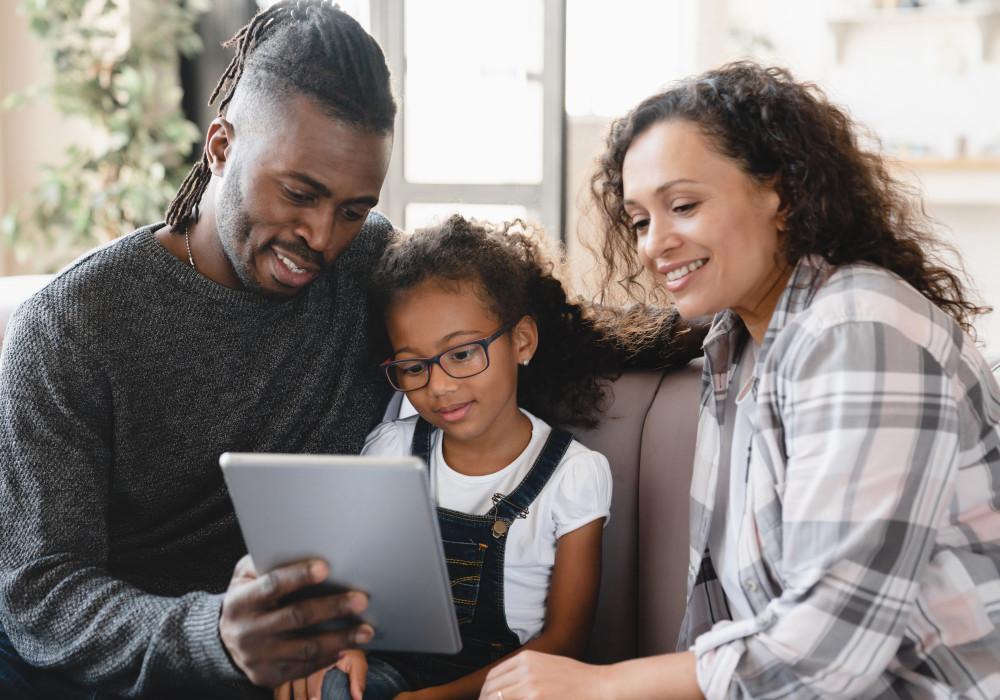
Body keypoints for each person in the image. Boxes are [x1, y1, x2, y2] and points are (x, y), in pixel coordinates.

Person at [477, 61, 1000, 700]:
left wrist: (599, 686)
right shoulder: (736, 342)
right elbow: (725, 619)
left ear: (781, 192)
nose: (653, 244)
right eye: (640, 220)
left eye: (683, 206)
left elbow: (827, 655)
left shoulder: (859, 330)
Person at [0, 2, 398, 698]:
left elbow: (505, 330)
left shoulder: (372, 266)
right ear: (219, 147)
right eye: (299, 193)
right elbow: (41, 592)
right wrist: (216, 636)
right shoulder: (74, 324)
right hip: (106, 663)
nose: (321, 236)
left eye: (352, 210)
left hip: (303, 650)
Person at [282, 214, 632, 700]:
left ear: (522, 342)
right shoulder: (391, 449)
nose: (440, 386)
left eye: (462, 354)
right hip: (390, 672)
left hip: (505, 686)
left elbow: (564, 643)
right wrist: (346, 644)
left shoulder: (573, 475)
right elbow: (353, 581)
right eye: (414, 366)